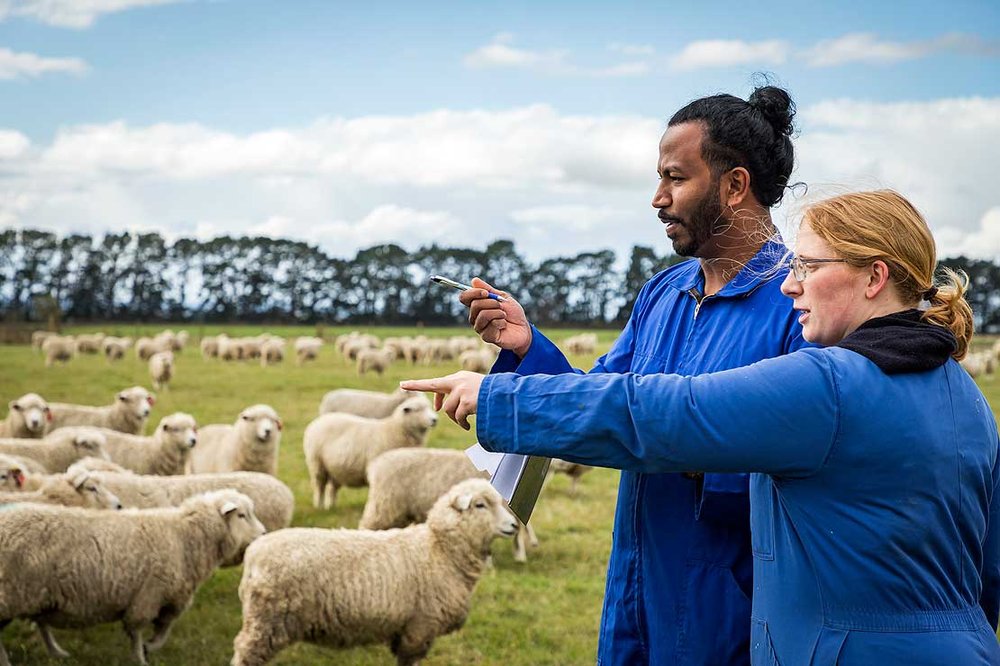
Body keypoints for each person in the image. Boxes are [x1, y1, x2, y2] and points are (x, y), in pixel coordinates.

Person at [403, 190, 1000, 665]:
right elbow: (988, 569)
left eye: (810, 266)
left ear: (874, 277)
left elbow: (663, 413)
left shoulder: (828, 384)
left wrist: (498, 397)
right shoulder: (965, 395)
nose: (791, 283)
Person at [429, 85, 806, 665]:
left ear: (734, 185)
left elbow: (790, 465)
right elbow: (604, 399)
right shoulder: (663, 293)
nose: (658, 198)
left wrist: (687, 451)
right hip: (635, 590)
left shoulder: (798, 302)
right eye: (659, 178)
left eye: (676, 178)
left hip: (732, 607)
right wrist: (527, 348)